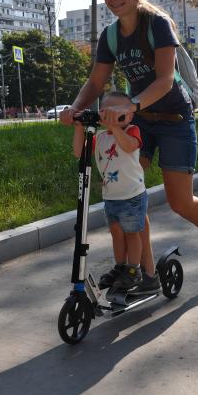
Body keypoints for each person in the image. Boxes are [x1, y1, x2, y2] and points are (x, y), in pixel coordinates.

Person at [61, 0, 198, 285]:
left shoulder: (158, 24)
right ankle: (145, 274)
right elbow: (96, 83)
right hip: (140, 121)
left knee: (180, 202)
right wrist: (75, 108)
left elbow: (165, 80)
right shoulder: (110, 36)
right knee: (131, 192)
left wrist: (132, 104)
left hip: (175, 120)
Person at [73, 91, 149, 293]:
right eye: (106, 111)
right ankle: (120, 266)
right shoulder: (100, 137)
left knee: (132, 234)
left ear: (129, 115)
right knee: (116, 233)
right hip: (111, 197)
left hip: (132, 195)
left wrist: (115, 126)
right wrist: (80, 126)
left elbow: (129, 146)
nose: (110, 116)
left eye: (117, 112)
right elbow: (79, 153)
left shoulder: (133, 131)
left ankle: (134, 270)